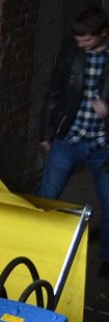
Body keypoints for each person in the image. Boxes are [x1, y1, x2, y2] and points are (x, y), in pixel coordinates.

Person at [39, 7, 109, 279]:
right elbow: (54, 91)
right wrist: (46, 134)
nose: (80, 45)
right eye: (78, 40)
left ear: (103, 33)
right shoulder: (72, 50)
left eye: (87, 40)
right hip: (69, 137)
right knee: (47, 196)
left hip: (103, 145)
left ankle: (106, 260)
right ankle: (36, 241)